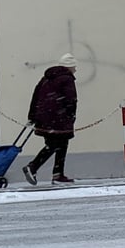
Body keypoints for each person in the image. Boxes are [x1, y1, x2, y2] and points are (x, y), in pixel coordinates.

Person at [22, 53, 78, 185]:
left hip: (45, 117)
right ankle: (33, 166)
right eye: (74, 67)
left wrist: (32, 116)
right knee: (55, 145)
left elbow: (35, 96)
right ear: (69, 67)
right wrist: (71, 116)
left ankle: (58, 175)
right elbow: (71, 100)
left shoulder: (46, 78)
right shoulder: (67, 79)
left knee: (59, 144)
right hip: (59, 119)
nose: (75, 70)